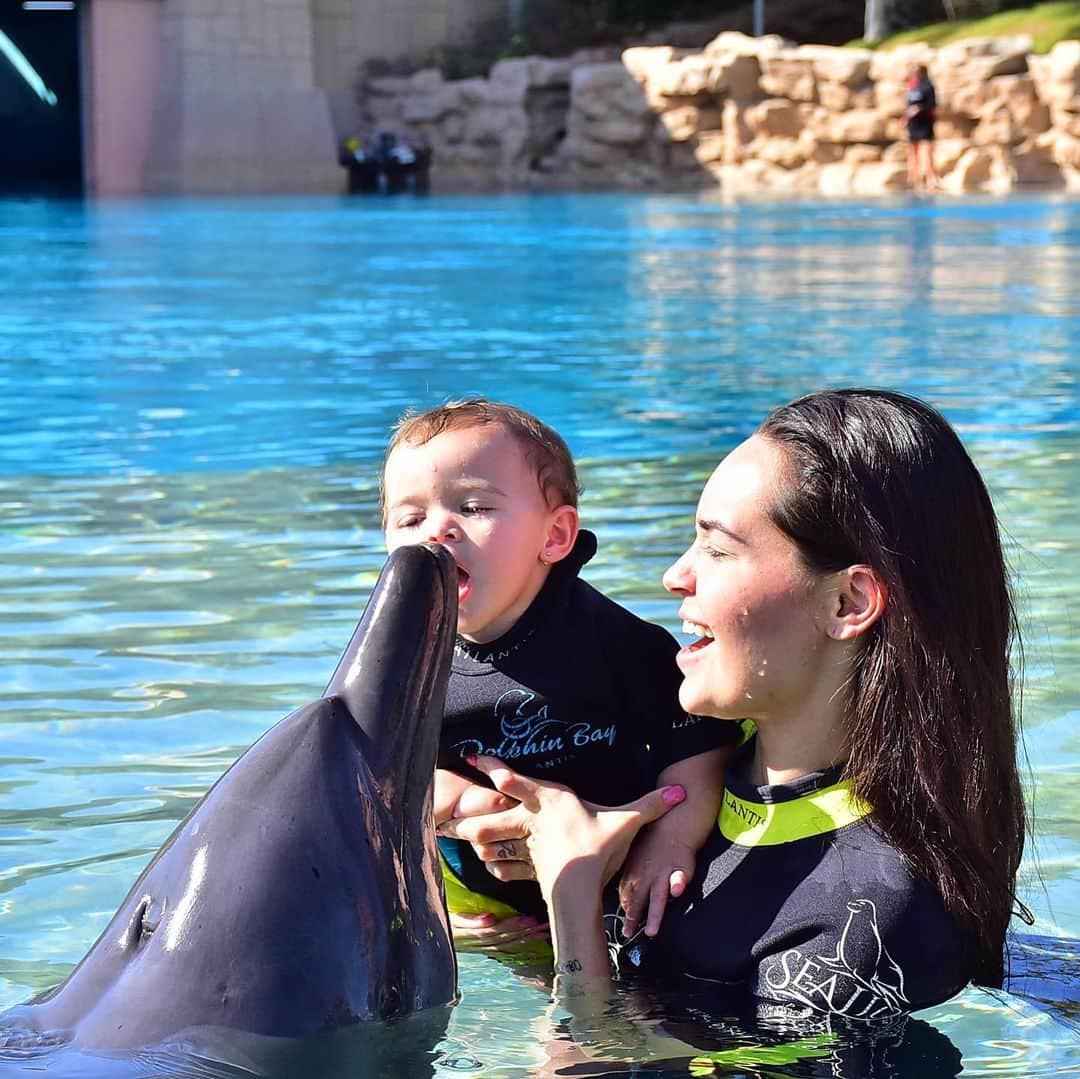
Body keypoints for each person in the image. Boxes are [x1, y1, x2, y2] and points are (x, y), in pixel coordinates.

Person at [442, 389, 1027, 1018]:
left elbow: (602, 1060)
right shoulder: (683, 778)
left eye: (717, 549)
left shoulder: (865, 922)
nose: (675, 575)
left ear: (848, 604)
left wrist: (574, 899)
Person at [381, 398, 737, 937]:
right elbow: (377, 782)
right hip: (486, 902)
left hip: (617, 878)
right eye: (410, 518)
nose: (437, 531)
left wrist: (670, 844)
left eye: (474, 507)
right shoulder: (404, 663)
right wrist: (461, 799)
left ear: (555, 536)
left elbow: (699, 751)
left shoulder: (616, 644)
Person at [905, 64, 939, 193]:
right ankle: (913, 180)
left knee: (926, 151)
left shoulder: (927, 87)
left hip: (924, 123)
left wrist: (918, 110)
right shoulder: (912, 88)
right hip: (913, 125)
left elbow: (932, 105)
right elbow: (909, 104)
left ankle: (931, 179)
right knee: (912, 151)